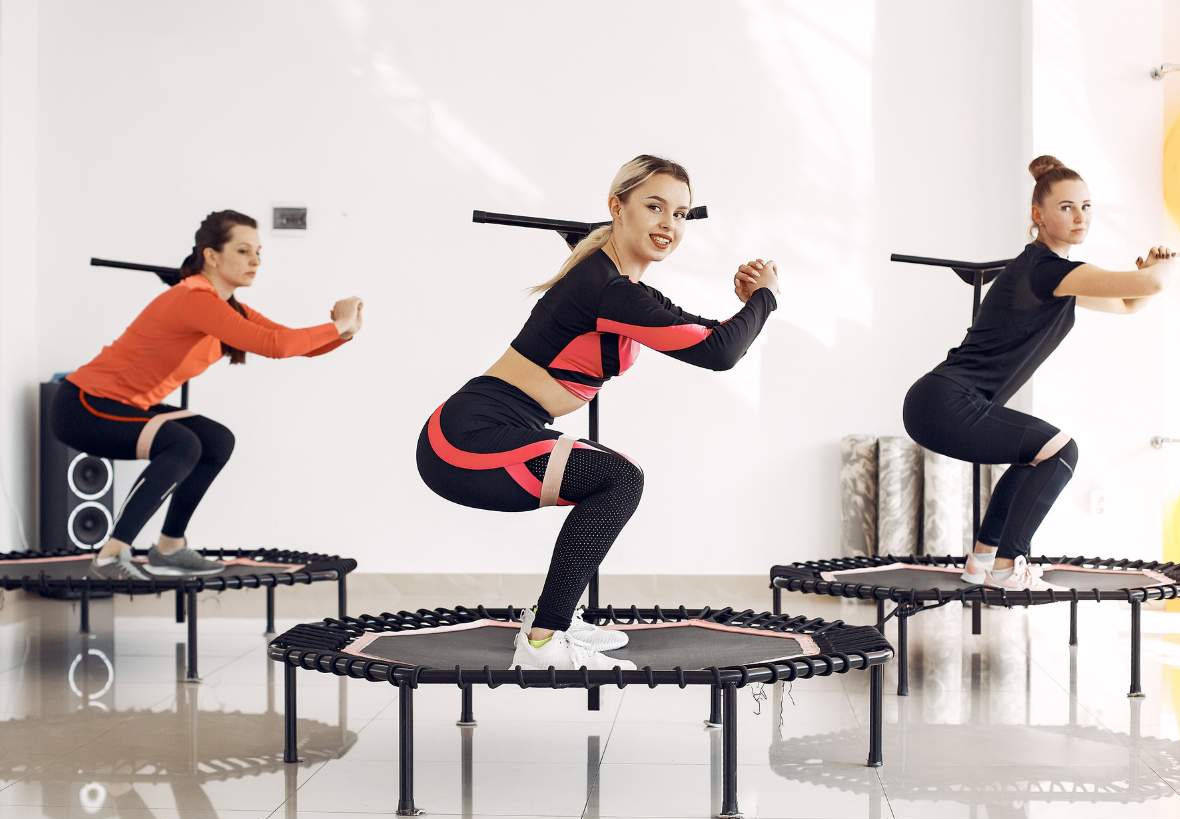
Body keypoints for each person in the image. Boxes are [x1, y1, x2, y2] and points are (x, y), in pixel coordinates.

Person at [416, 155, 780, 670]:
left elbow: (714, 337)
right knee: (618, 480)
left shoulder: (625, 292)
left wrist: (747, 304)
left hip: (491, 431)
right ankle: (544, 638)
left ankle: (556, 615)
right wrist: (765, 298)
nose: (668, 224)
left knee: (611, 473)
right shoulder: (606, 290)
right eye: (655, 207)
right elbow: (719, 355)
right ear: (617, 206)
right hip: (463, 441)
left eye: (680, 214)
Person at [903, 155, 1175, 590]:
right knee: (1062, 451)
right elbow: (1152, 286)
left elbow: (1128, 304)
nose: (1079, 217)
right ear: (1038, 215)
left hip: (943, 403)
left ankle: (983, 562)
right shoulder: (1044, 270)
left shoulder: (1057, 277)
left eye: (1086, 207)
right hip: (946, 401)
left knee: (1038, 455)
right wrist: (1161, 266)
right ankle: (1010, 567)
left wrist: (1146, 277)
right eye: (1066, 207)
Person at [53, 209, 364, 580]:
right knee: (182, 444)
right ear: (212, 256)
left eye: (259, 253)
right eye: (243, 251)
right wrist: (337, 325)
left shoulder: (228, 308)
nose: (255, 261)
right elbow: (277, 345)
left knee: (215, 440)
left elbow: (297, 344)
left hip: (127, 405)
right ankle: (111, 554)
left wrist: (344, 333)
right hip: (84, 406)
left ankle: (169, 547)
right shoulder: (193, 299)